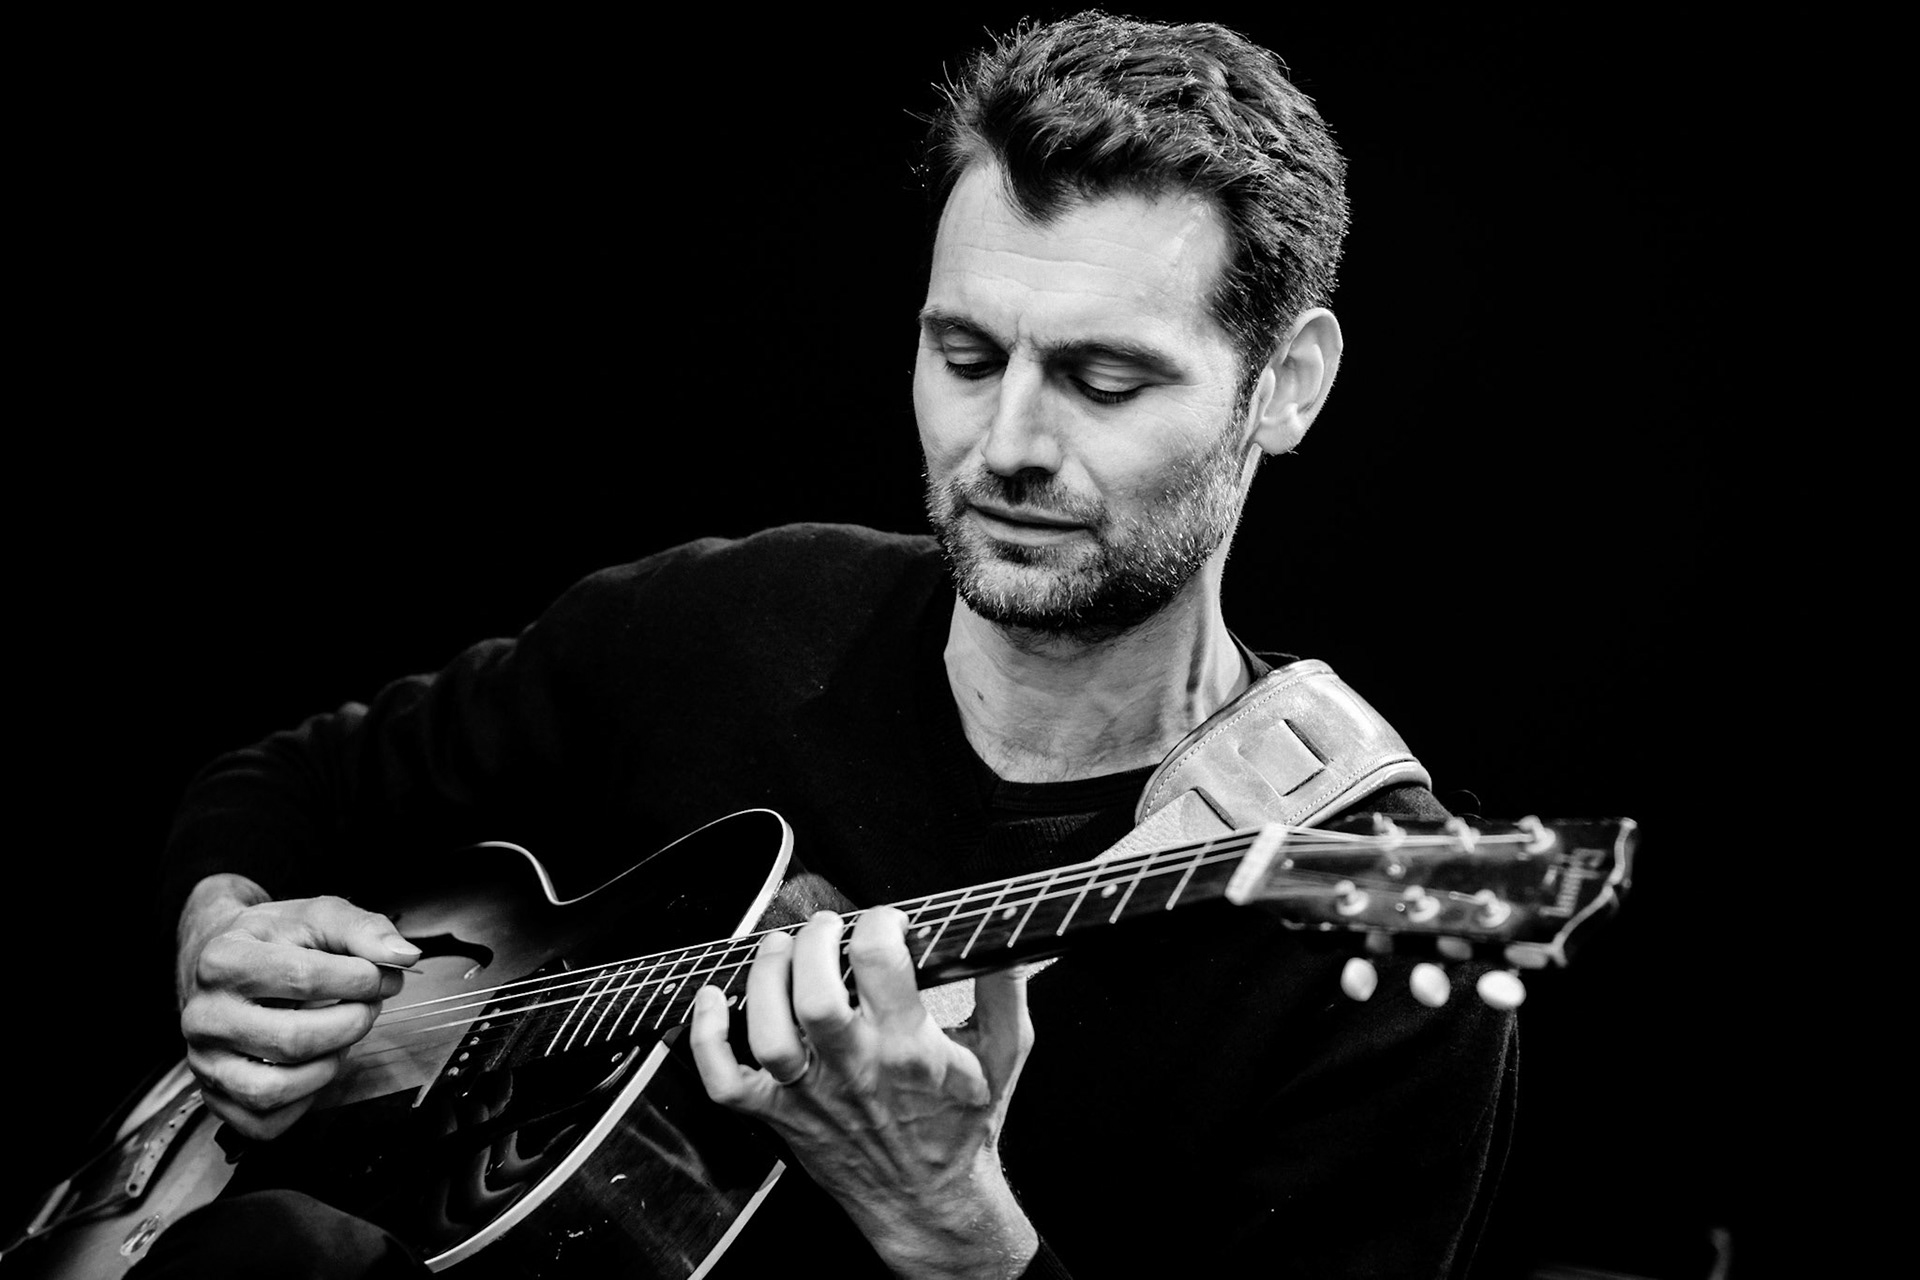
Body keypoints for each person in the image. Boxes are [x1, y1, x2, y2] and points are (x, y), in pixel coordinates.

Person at [136, 12, 1515, 1278]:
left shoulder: (1381, 955)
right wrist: (229, 934)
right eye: (966, 358)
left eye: (1104, 380)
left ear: (1287, 386)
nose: (1008, 449)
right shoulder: (721, 622)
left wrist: (946, 1221)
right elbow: (289, 786)